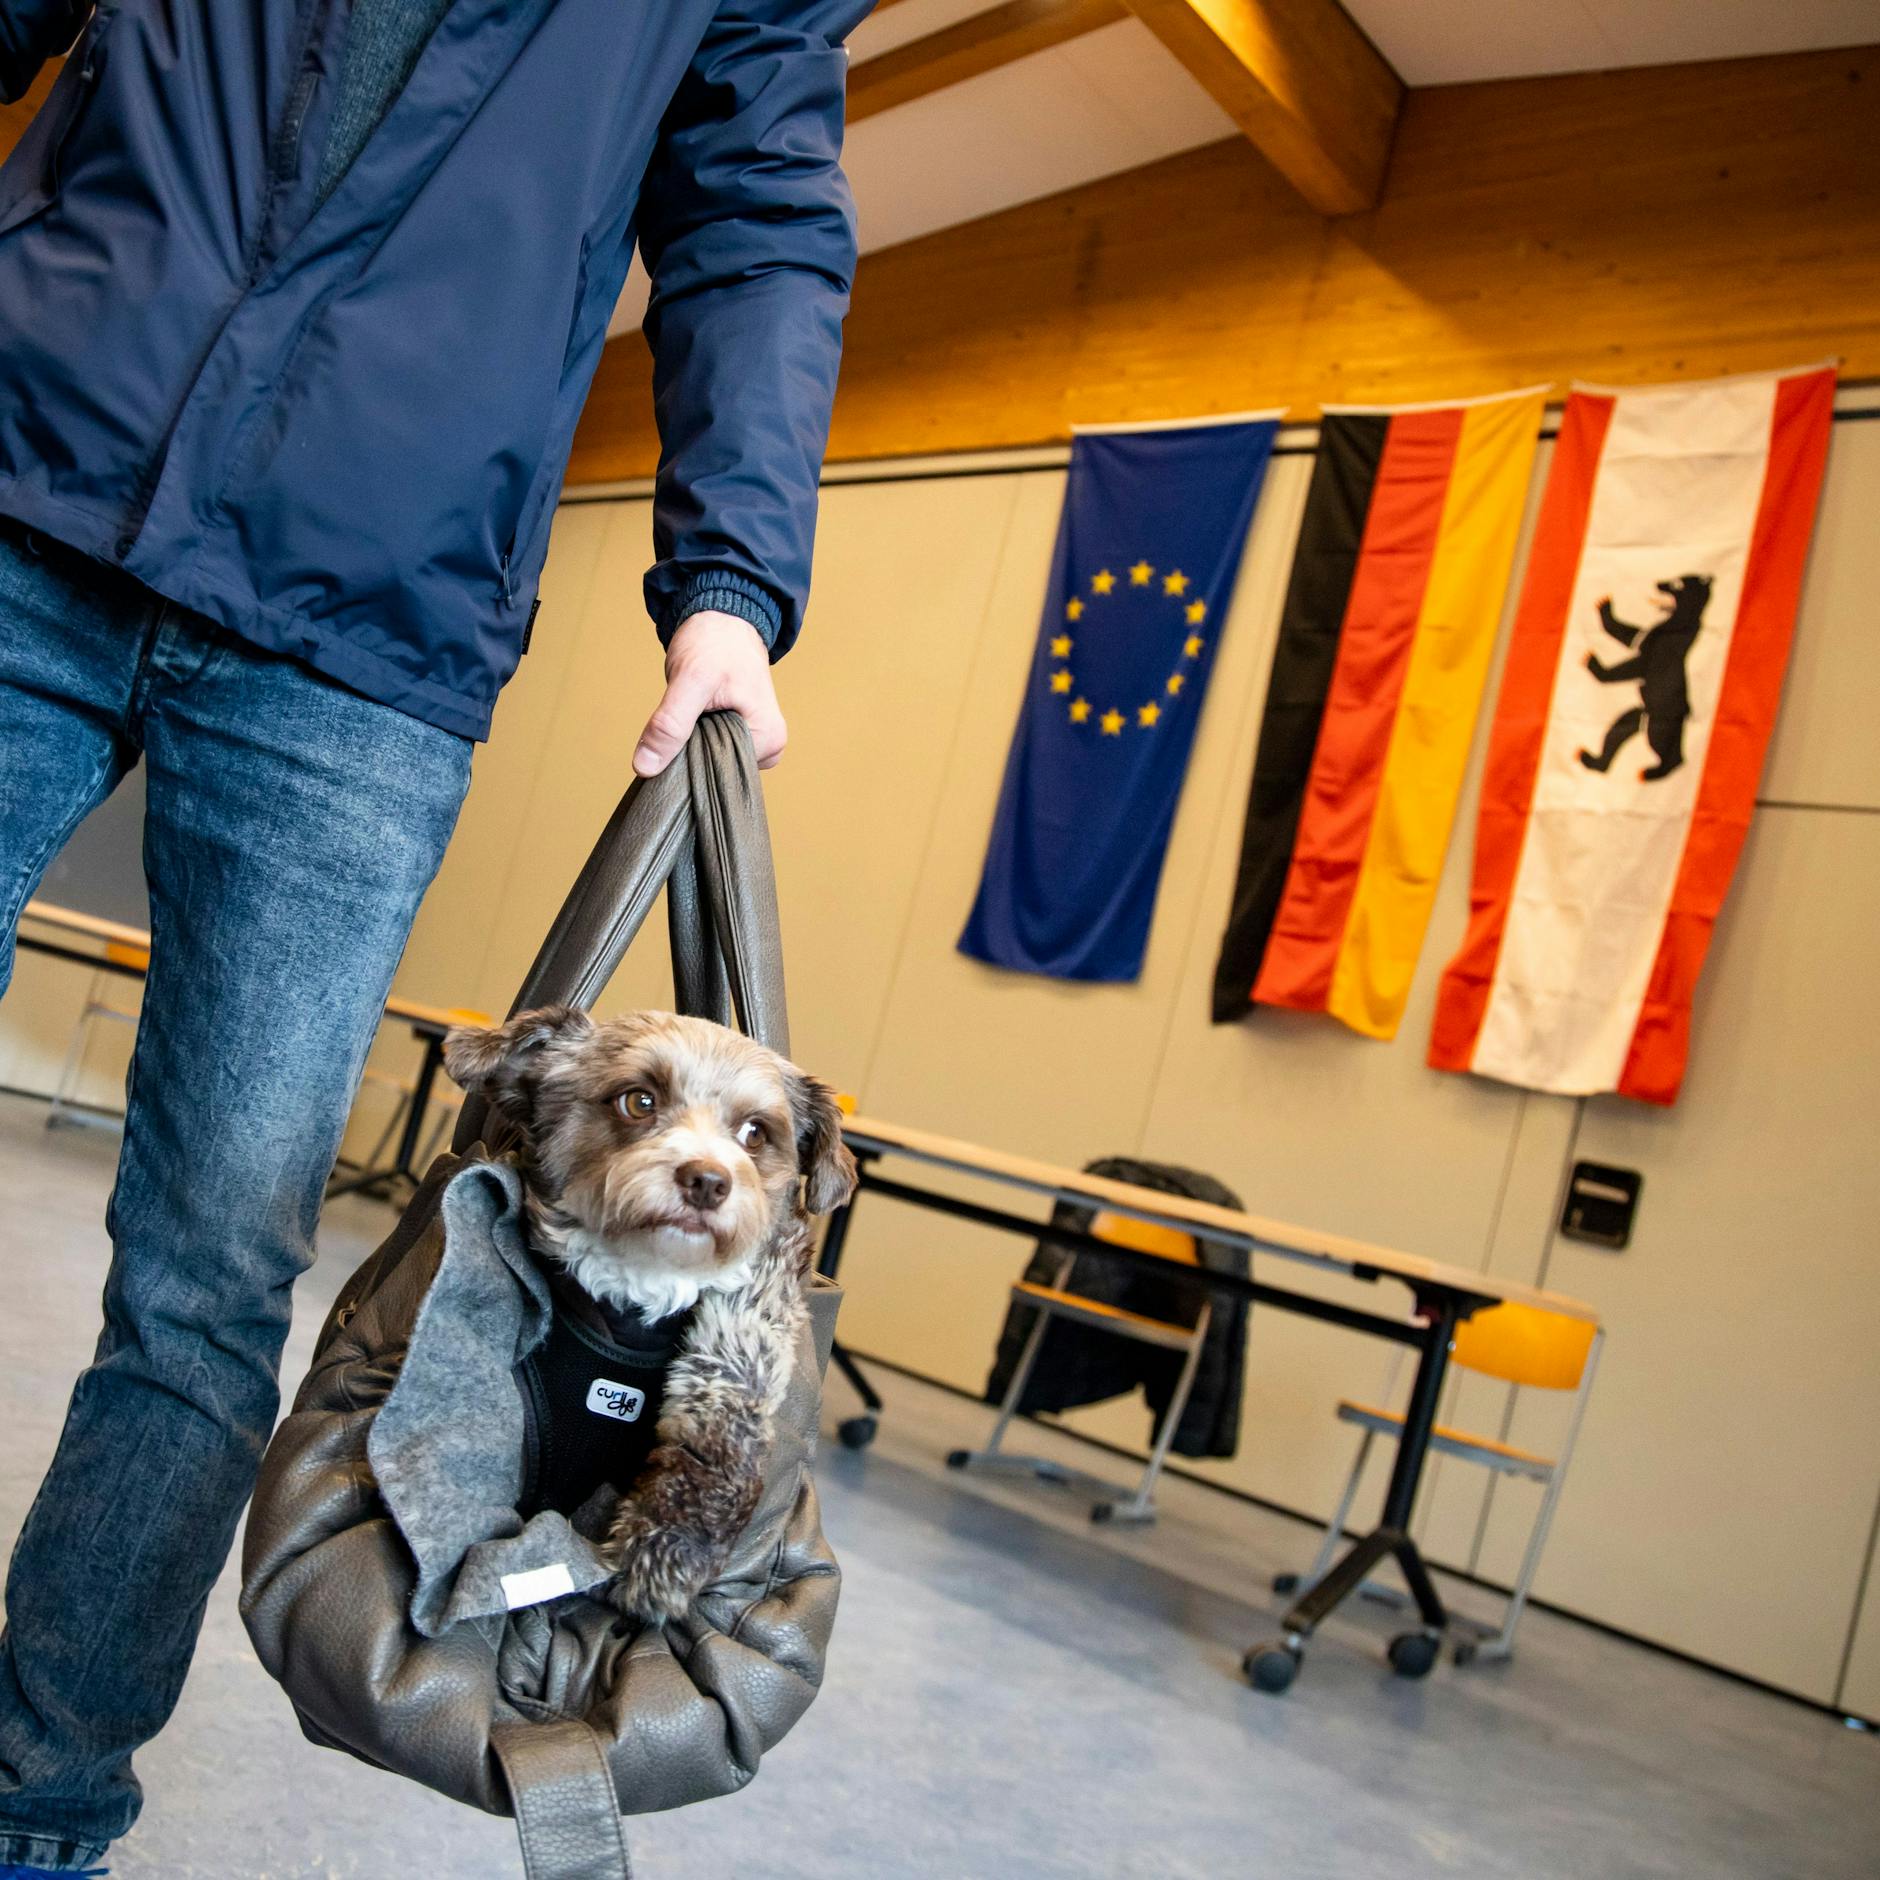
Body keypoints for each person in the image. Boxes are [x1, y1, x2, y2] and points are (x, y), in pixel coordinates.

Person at [0, 0, 866, 1868]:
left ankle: (37, 1803)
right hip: (30, 452)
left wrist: (735, 577)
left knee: (215, 1263)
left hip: (365, 626)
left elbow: (760, 209)